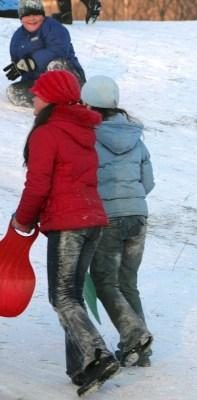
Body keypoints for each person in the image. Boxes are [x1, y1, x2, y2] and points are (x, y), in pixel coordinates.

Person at [10, 70, 120, 397]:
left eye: (39, 92)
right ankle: (81, 366)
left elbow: (38, 185)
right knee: (71, 295)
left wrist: (22, 220)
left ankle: (98, 354)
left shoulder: (47, 133)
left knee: (61, 297)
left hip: (69, 223)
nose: (33, 97)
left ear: (52, 97)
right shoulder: (81, 127)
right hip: (91, 221)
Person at [82, 76, 154, 367]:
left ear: (88, 103)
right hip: (138, 216)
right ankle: (140, 351)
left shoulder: (88, 136)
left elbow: (87, 179)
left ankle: (135, 336)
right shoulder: (136, 137)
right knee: (128, 282)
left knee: (104, 283)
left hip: (108, 218)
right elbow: (147, 182)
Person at [3, 0, 85, 108]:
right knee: (14, 91)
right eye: (27, 15)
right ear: (21, 18)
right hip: (42, 82)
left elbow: (58, 50)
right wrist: (20, 67)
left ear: (43, 15)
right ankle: (50, 102)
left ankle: (75, 97)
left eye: (36, 14)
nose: (32, 18)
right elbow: (21, 63)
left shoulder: (53, 27)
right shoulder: (17, 38)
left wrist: (32, 62)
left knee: (56, 64)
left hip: (68, 76)